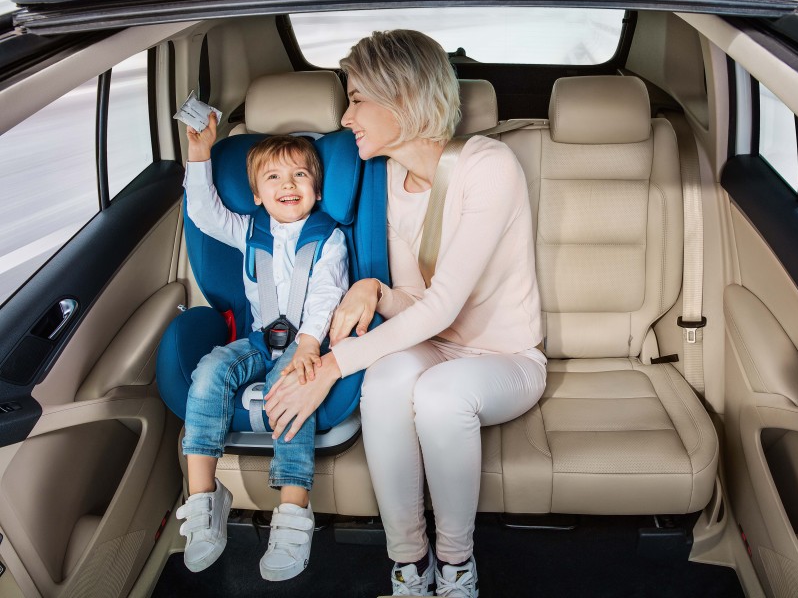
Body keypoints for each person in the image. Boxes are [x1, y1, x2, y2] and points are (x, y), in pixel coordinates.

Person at [264, 30, 546, 597]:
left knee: (440, 395)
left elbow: (443, 306)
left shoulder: (489, 167)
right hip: (436, 346)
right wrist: (374, 290)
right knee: (386, 382)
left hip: (507, 358)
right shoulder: (388, 178)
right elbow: (418, 300)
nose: (345, 118)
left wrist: (331, 366)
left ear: (403, 97)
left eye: (356, 99)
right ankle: (409, 565)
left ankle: (457, 565)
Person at [176, 113, 348, 581]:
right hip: (256, 339)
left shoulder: (329, 237)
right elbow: (202, 213)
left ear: (316, 189)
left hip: (305, 342)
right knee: (209, 372)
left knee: (290, 390)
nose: (287, 185)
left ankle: (292, 509)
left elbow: (327, 294)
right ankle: (204, 501)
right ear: (256, 194)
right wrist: (200, 152)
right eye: (273, 177)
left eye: (300, 175)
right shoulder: (248, 230)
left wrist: (308, 347)